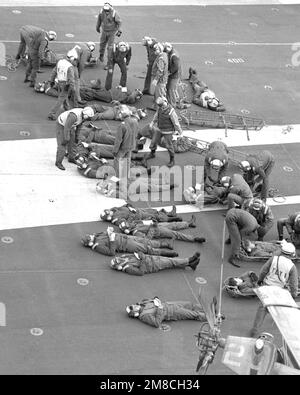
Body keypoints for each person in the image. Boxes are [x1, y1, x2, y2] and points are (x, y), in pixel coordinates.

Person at [249, 241, 299, 337]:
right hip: (280, 290)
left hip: (267, 286)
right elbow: (293, 284)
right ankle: (285, 330)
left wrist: (259, 281)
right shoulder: (292, 267)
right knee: (281, 307)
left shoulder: (274, 259)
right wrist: (293, 295)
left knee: (262, 308)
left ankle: (255, 330)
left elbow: (264, 271)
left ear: (282, 251)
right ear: (292, 254)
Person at [81, 226, 178, 257]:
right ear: (89, 243)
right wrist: (112, 240)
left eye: (89, 235)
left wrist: (109, 231)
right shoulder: (98, 246)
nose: (91, 236)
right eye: (89, 238)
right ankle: (169, 254)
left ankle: (166, 244)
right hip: (126, 245)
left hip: (126, 237)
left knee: (146, 241)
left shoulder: (97, 235)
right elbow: (111, 252)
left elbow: (106, 233)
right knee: (146, 249)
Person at [146, 97, 183, 167]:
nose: (162, 107)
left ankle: (172, 159)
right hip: (159, 129)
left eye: (162, 105)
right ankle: (152, 153)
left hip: (168, 131)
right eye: (160, 106)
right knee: (154, 141)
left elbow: (176, 122)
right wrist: (152, 123)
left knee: (169, 145)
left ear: (165, 101)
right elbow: (156, 116)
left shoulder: (171, 111)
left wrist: (180, 131)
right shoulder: (160, 109)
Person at [126, 297, 207, 328]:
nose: (134, 305)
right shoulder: (144, 316)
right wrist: (160, 309)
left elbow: (150, 300)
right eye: (133, 307)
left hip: (171, 304)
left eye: (132, 305)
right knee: (194, 314)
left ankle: (206, 309)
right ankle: (211, 317)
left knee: (190, 305)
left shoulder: (142, 303)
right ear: (135, 313)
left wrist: (155, 299)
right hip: (172, 312)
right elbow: (156, 323)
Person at [118, 217, 206, 244]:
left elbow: (143, 222)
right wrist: (153, 226)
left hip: (157, 225)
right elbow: (148, 239)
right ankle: (194, 239)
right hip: (158, 231)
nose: (129, 224)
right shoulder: (136, 233)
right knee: (176, 234)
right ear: (128, 230)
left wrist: (151, 220)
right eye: (128, 225)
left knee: (174, 224)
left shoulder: (135, 223)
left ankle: (189, 224)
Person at [111, 251, 201, 275]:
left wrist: (141, 255)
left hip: (151, 258)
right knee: (171, 261)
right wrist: (142, 259)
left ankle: (191, 264)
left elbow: (135, 253)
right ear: (118, 266)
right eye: (117, 261)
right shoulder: (128, 268)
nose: (118, 259)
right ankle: (189, 260)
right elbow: (141, 272)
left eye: (116, 258)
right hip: (153, 265)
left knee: (170, 261)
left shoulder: (124, 257)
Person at [47, 51, 78, 120]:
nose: (75, 61)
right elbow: (71, 79)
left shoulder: (60, 62)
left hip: (58, 82)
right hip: (65, 85)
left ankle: (67, 108)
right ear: (72, 59)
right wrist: (73, 89)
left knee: (63, 96)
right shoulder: (70, 67)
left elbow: (54, 71)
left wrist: (51, 81)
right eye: (75, 59)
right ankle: (52, 113)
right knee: (60, 99)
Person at [100, 204, 182, 226]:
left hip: (137, 210)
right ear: (108, 217)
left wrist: (128, 205)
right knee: (156, 216)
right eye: (108, 213)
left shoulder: (114, 209)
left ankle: (170, 214)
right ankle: (173, 218)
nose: (109, 211)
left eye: (107, 211)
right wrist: (132, 213)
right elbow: (128, 222)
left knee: (153, 211)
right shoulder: (116, 220)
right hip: (138, 216)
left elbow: (123, 206)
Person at [96, 2, 122, 69]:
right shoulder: (101, 11)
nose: (106, 11)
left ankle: (109, 63)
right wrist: (97, 27)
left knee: (110, 48)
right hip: (104, 31)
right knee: (102, 45)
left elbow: (119, 22)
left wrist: (119, 30)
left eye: (107, 10)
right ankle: (101, 56)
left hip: (112, 32)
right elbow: (99, 20)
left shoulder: (114, 13)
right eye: (105, 10)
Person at [163, 42, 181, 108]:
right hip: (174, 75)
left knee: (171, 90)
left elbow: (176, 66)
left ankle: (172, 104)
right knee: (169, 89)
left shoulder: (174, 56)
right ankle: (170, 101)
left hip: (174, 76)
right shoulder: (172, 52)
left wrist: (169, 72)